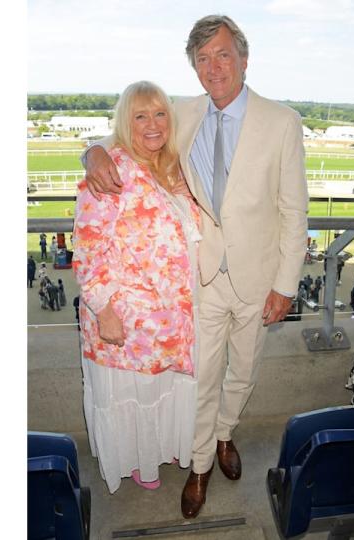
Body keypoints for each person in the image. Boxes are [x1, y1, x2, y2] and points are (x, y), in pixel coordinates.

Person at [81, 15, 308, 518]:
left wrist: (285, 284)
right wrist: (90, 151)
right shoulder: (180, 113)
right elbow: (128, 132)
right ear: (194, 68)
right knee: (203, 376)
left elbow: (295, 211)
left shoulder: (282, 121)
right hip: (200, 279)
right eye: (202, 59)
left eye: (223, 55)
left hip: (258, 277)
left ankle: (225, 434)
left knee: (242, 373)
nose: (214, 67)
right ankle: (201, 464)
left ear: (244, 60)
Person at [73, 80, 201, 494]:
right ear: (125, 123)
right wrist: (103, 309)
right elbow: (89, 247)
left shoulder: (175, 168)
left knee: (162, 392)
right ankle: (139, 462)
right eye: (140, 116)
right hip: (127, 320)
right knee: (137, 397)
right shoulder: (110, 171)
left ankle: (155, 456)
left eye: (160, 113)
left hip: (171, 318)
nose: (152, 124)